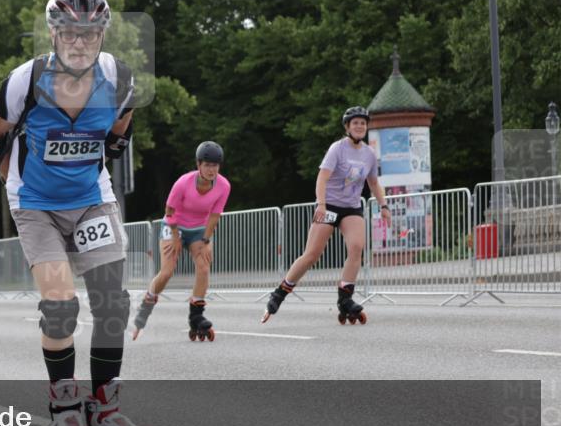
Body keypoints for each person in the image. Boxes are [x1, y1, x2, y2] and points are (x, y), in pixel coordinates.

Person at [0, 0, 164, 426]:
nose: (78, 42)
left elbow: (121, 131)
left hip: (90, 202)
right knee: (61, 305)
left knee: (111, 303)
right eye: (68, 33)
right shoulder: (26, 80)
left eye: (89, 33)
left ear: (101, 34)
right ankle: (64, 407)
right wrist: (12, 182)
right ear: (53, 34)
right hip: (36, 206)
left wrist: (98, 161)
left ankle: (104, 408)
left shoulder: (120, 79)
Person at [261, 106, 391, 324]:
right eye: (355, 123)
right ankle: (280, 293)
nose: (360, 126)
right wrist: (321, 204)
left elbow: (374, 183)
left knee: (357, 247)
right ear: (348, 126)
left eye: (363, 123)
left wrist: (384, 205)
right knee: (312, 254)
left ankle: (345, 298)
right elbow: (322, 178)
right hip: (329, 206)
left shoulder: (369, 154)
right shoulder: (337, 149)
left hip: (351, 208)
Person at [132, 141, 231, 342]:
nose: (212, 170)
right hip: (173, 226)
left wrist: (206, 239)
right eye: (207, 165)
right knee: (167, 271)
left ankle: (196, 315)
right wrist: (176, 237)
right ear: (198, 164)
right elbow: (169, 212)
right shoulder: (183, 183)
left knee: (203, 266)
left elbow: (214, 216)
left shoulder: (223, 185)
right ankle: (147, 303)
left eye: (215, 165)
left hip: (198, 230)